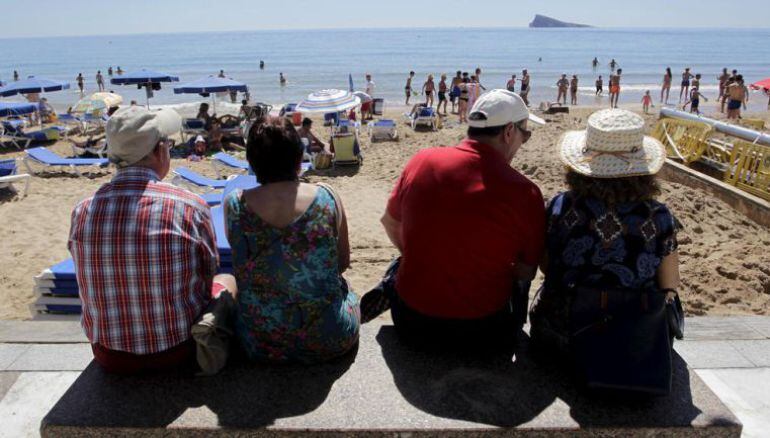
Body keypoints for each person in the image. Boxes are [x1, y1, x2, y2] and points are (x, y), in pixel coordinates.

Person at [360, 90, 546, 352]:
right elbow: (526, 272)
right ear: (508, 132)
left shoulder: (421, 162)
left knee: (403, 262)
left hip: (412, 322)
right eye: (524, 135)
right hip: (484, 332)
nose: (523, 142)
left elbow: (390, 223)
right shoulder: (525, 192)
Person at [68, 106, 237, 374]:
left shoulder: (83, 210)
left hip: (108, 356)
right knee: (227, 280)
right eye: (168, 144)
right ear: (160, 151)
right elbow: (208, 276)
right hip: (177, 351)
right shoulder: (189, 205)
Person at [529, 108, 679, 369]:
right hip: (632, 340)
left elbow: (546, 265)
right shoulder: (658, 216)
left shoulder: (561, 206)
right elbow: (670, 285)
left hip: (562, 334)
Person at [224, 117, 360, 363]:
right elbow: (341, 262)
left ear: (252, 162)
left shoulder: (234, 203)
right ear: (299, 159)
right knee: (348, 289)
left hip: (258, 342)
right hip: (329, 340)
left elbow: (241, 260)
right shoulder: (327, 197)